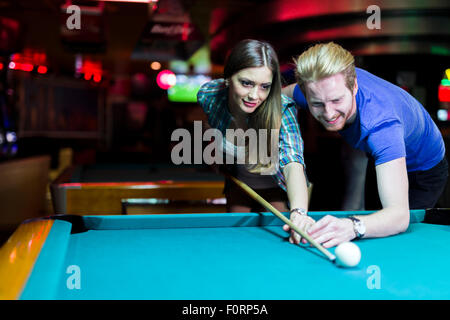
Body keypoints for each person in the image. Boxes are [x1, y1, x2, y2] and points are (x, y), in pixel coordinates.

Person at [282, 42, 448, 248]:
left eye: (336, 100)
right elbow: (280, 96)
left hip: (424, 168)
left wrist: (350, 227)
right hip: (379, 156)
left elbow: (398, 217)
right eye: (317, 104)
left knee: (395, 240)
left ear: (354, 86)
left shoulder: (381, 125)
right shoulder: (319, 88)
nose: (329, 113)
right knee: (372, 223)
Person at [197, 39, 312, 240]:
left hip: (277, 188)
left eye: (264, 86)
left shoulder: (282, 110)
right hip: (239, 184)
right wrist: (215, 148)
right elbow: (213, 126)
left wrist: (299, 212)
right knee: (234, 240)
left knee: (280, 240)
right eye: (246, 83)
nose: (254, 95)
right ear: (228, 78)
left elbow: (293, 162)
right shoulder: (209, 96)